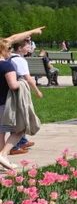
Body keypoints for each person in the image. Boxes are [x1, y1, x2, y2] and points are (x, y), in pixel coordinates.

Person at [8, 39, 43, 153]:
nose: (30, 48)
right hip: (19, 90)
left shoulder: (9, 57)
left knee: (18, 114)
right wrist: (37, 91)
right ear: (19, 48)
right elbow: (27, 78)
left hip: (9, 91)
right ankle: (14, 146)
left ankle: (22, 141)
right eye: (27, 46)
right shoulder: (20, 60)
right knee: (22, 115)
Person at [0, 39, 27, 171]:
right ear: (3, 50)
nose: (10, 52)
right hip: (6, 104)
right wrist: (21, 82)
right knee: (20, 129)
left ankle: (4, 161)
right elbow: (13, 85)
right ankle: (3, 154)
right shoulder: (6, 66)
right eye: (9, 49)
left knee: (0, 133)